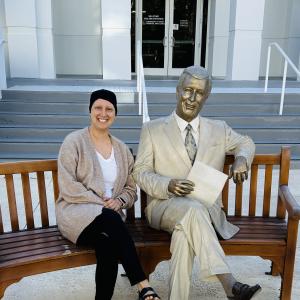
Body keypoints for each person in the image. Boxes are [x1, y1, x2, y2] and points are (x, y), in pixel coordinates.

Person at [133, 66, 261, 300]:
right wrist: (168, 184)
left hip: (202, 211)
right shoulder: (152, 129)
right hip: (163, 206)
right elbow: (140, 172)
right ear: (177, 90)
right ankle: (229, 283)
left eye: (199, 93)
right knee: (192, 210)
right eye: (188, 90)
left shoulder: (219, 129)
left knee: (185, 233)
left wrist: (241, 159)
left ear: (206, 96)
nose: (192, 98)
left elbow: (246, 142)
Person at [55, 89, 160, 300]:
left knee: (108, 245)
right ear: (90, 111)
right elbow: (68, 186)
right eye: (98, 108)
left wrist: (119, 201)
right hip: (76, 215)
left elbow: (131, 190)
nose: (103, 113)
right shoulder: (73, 142)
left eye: (109, 109)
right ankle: (143, 285)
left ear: (115, 114)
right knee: (110, 219)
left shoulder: (121, 149)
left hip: (110, 221)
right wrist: (102, 204)